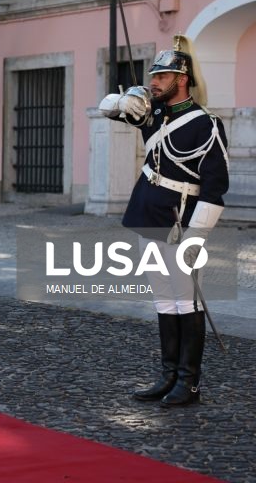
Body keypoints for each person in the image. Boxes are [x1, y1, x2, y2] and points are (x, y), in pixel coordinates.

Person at [98, 34, 229, 407]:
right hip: (149, 213)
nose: (154, 82)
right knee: (164, 299)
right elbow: (109, 109)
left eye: (162, 76)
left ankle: (189, 382)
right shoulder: (152, 112)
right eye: (153, 75)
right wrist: (123, 100)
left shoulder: (206, 124)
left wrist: (196, 237)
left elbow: (215, 187)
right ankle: (167, 374)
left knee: (187, 302)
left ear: (182, 79)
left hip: (181, 221)